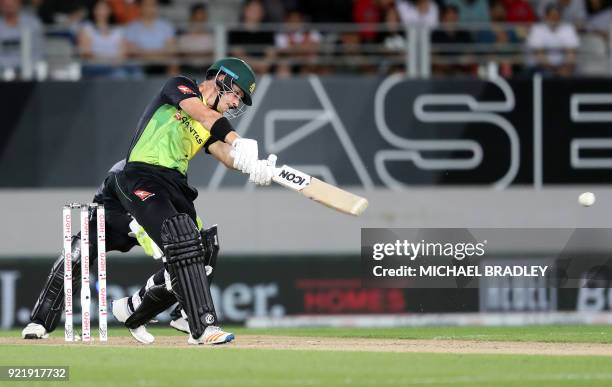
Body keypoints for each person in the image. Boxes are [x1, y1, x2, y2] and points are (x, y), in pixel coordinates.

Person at [22, 57, 275, 345]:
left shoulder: (211, 125)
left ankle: (161, 312)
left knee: (201, 247)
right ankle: (40, 322)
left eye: (240, 98)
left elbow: (226, 155)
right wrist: (236, 137)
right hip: (141, 176)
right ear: (221, 79)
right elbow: (204, 116)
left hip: (174, 187)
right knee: (87, 246)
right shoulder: (179, 87)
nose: (235, 103)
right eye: (236, 93)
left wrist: (254, 166)